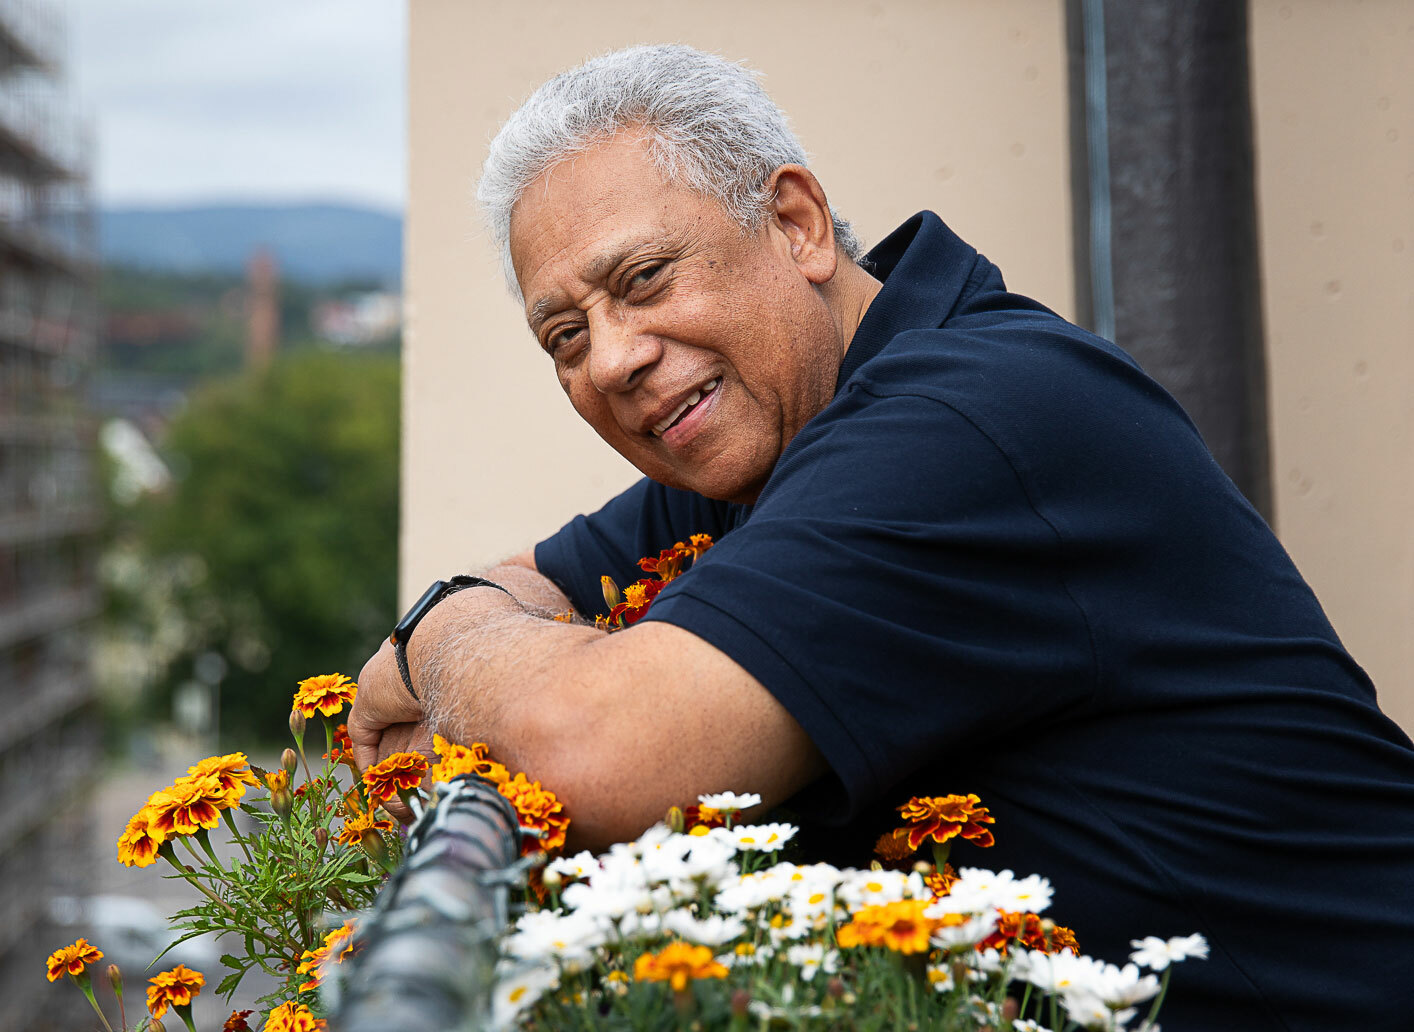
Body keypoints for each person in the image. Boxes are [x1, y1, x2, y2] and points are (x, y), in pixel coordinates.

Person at [350, 44, 1414, 1030]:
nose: (616, 358)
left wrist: (437, 637)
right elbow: (522, 590)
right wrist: (488, 642)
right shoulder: (762, 440)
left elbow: (593, 751)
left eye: (643, 280)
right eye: (565, 336)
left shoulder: (971, 419)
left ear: (798, 224)